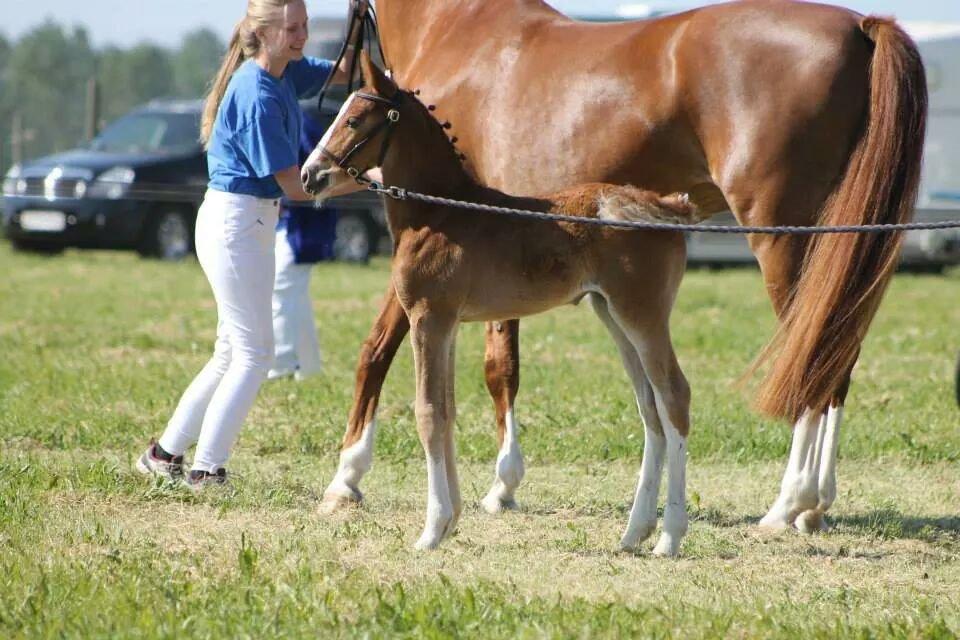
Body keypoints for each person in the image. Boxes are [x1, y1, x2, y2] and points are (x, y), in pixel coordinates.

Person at [136, 0, 366, 487]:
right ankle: (206, 470)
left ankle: (163, 455)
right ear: (263, 33)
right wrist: (365, 180)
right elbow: (296, 188)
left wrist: (360, 19)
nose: (303, 35)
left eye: (305, 26)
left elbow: (346, 70)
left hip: (248, 225)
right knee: (255, 353)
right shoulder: (257, 93)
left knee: (231, 351)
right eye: (293, 28)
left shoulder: (286, 72)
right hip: (235, 225)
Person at [267, 107, 336, 381]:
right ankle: (308, 367)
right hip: (286, 220)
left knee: (282, 287)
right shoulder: (286, 116)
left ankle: (281, 364)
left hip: (301, 221)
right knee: (295, 294)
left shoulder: (298, 120)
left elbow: (313, 172)